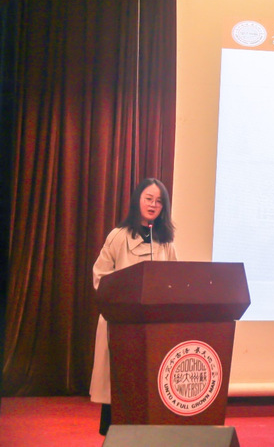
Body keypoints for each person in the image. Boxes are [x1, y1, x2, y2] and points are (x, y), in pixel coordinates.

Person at [89, 177, 177, 435]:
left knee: (148, 387)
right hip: (121, 324)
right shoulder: (118, 236)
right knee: (119, 386)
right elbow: (100, 277)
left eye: (159, 201)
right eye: (148, 199)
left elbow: (175, 277)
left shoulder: (166, 240)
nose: (153, 205)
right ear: (137, 200)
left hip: (153, 327)